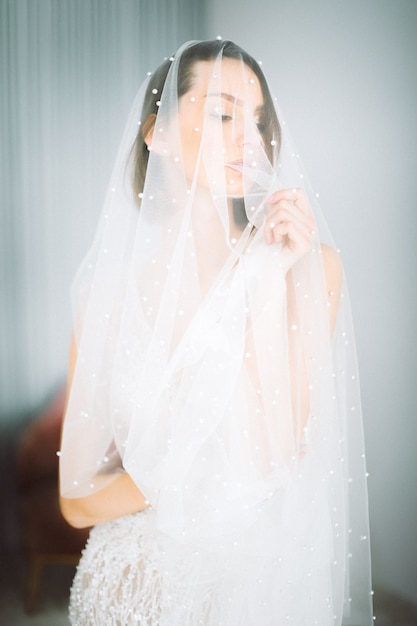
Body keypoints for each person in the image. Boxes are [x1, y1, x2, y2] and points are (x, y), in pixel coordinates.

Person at [59, 39, 373, 625]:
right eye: (222, 113)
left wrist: (265, 280)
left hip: (251, 597)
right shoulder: (105, 297)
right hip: (122, 593)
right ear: (157, 132)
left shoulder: (309, 269)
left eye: (257, 120)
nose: (247, 138)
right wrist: (185, 475)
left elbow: (270, 453)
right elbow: (76, 502)